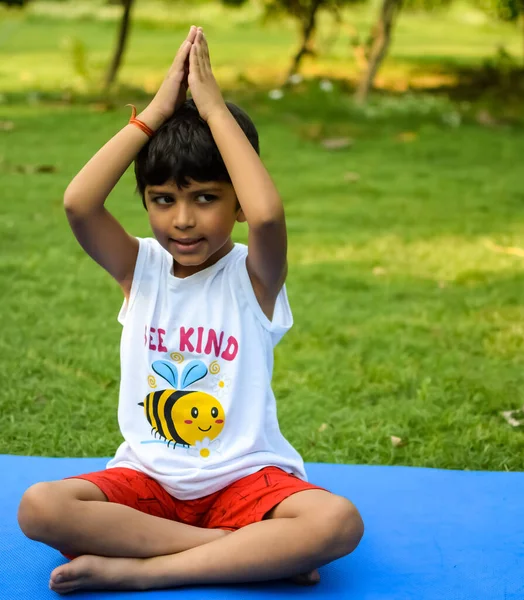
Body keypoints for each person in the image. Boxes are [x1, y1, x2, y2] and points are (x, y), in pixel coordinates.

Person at [16, 25, 364, 594]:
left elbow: (271, 216)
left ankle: (140, 571)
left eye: (206, 197)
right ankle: (248, 555)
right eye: (162, 199)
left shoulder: (255, 276)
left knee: (337, 521)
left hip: (245, 483)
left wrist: (212, 107)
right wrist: (157, 109)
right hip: (147, 483)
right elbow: (79, 202)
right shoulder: (140, 268)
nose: (182, 219)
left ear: (237, 203)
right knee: (41, 507)